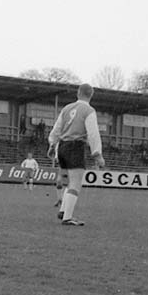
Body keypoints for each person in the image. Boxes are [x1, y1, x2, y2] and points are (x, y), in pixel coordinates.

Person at [47, 83, 105, 226]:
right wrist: (97, 153)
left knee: (70, 180)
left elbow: (56, 129)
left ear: (78, 93)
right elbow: (93, 133)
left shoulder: (67, 108)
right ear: (91, 95)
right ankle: (68, 217)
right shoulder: (89, 111)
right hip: (75, 146)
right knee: (76, 182)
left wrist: (52, 144)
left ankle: (63, 210)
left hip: (62, 146)